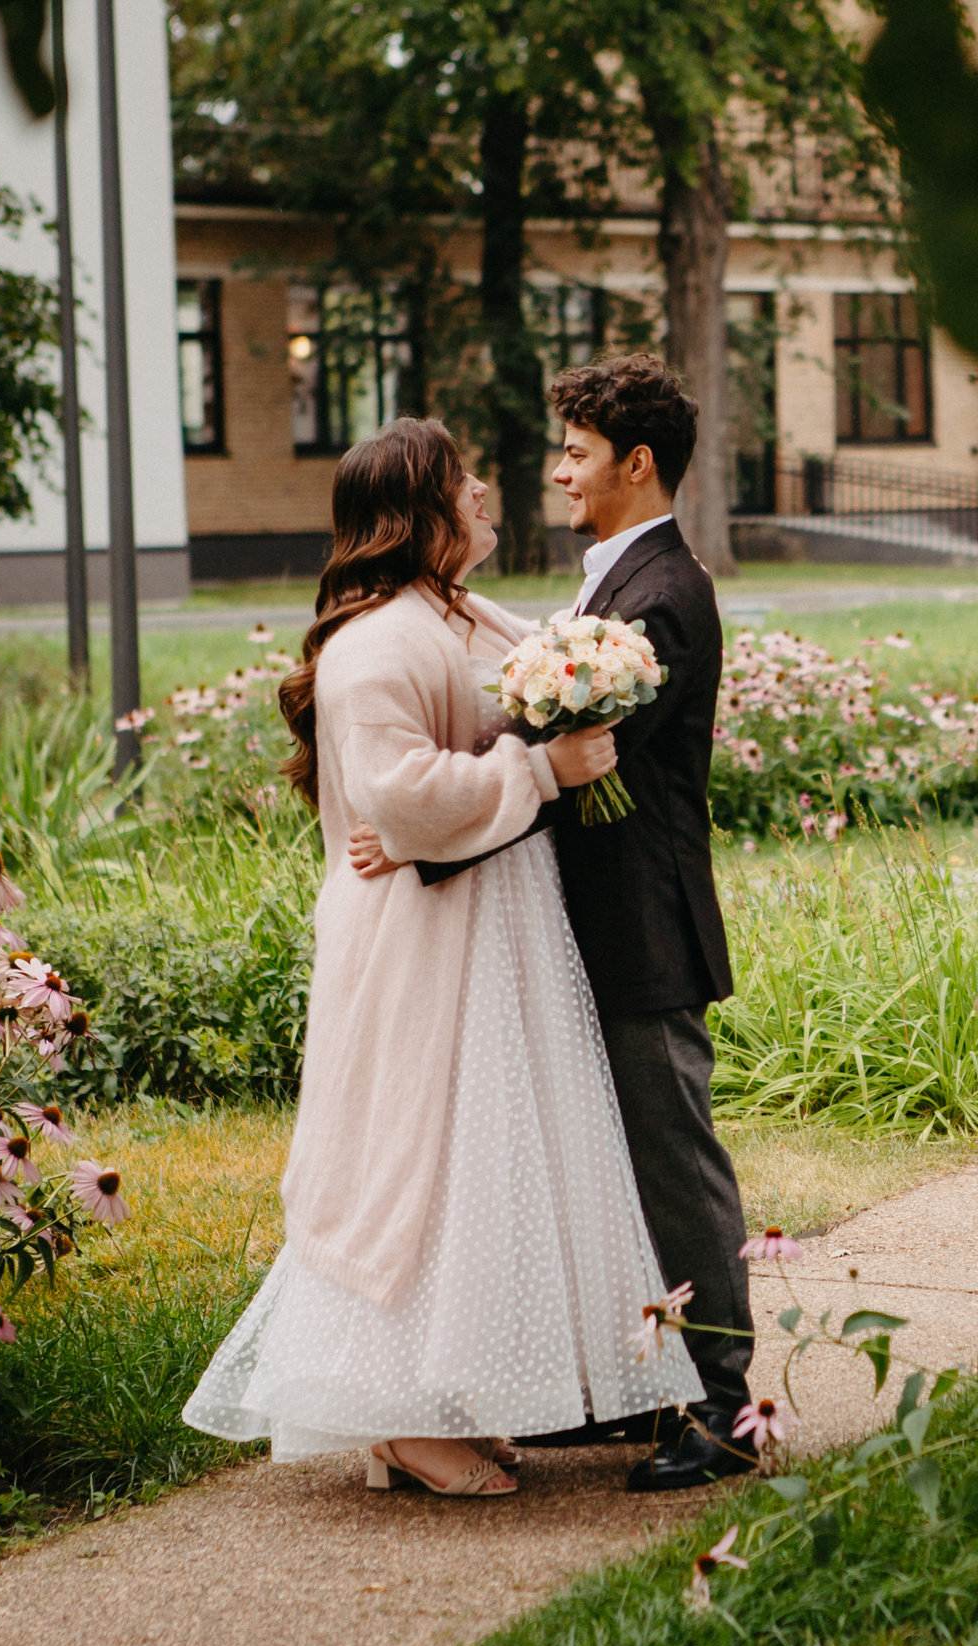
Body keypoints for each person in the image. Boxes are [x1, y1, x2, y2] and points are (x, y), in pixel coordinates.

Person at [182, 416, 703, 1497]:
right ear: (417, 513)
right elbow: (400, 797)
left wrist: (562, 731)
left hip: (493, 925)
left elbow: (511, 712)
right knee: (417, 1163)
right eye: (460, 481)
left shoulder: (462, 612)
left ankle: (454, 1397)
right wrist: (545, 772)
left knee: (486, 1164)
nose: (482, 491)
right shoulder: (376, 642)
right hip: (418, 936)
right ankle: (396, 1418)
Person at [363, 354, 756, 1493]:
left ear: (638, 463)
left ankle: (724, 1406)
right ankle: (638, 1389)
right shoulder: (613, 585)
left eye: (578, 454)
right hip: (588, 927)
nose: (560, 472)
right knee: (613, 1169)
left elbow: (573, 754)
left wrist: (427, 835)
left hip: (643, 929)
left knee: (673, 1166)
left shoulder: (662, 596)